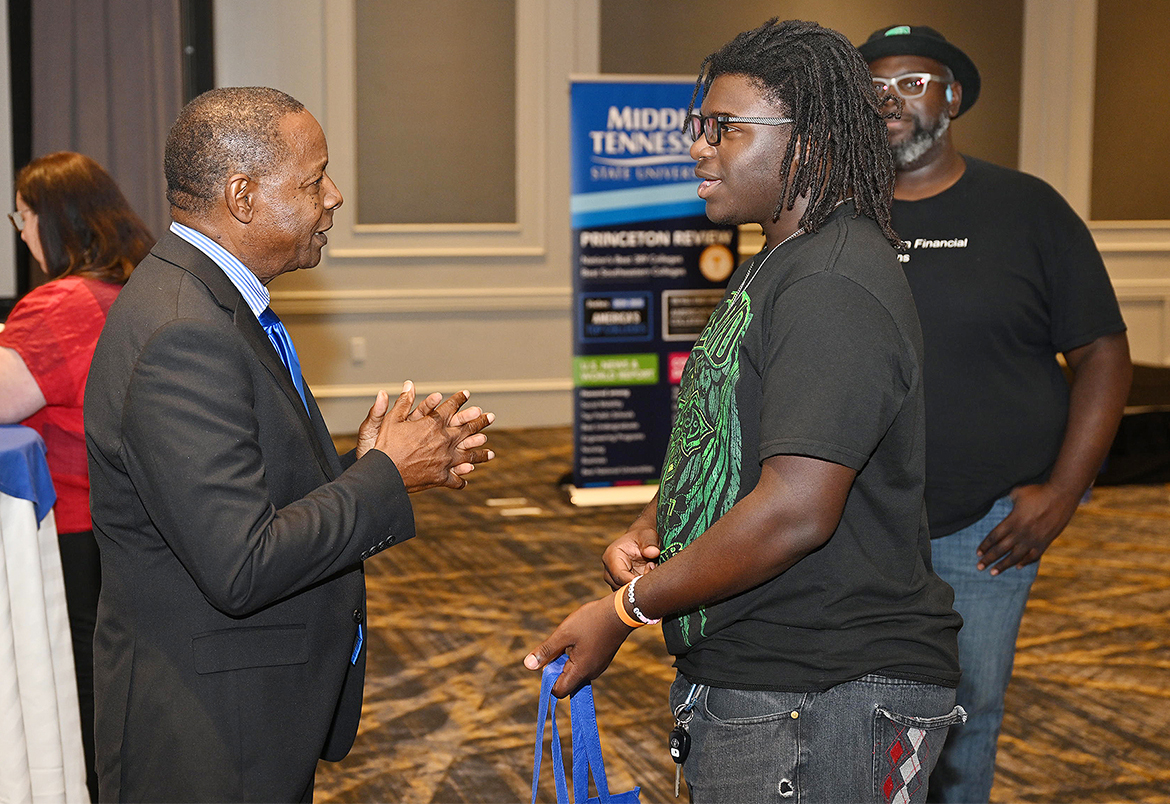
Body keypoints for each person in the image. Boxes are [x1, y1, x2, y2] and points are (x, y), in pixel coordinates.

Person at [526, 19, 965, 803]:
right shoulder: (781, 262)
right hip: (777, 680)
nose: (697, 147)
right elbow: (738, 440)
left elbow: (795, 511)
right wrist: (663, 524)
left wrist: (624, 611)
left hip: (824, 689)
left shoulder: (832, 282)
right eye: (700, 126)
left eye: (724, 129)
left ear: (814, 141)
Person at [84, 86, 494, 802]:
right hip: (209, 736)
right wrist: (388, 476)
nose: (333, 197)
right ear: (242, 196)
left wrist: (364, 468)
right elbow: (241, 563)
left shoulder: (214, 302)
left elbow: (240, 496)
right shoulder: (185, 332)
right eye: (313, 181)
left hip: (241, 711)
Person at [858, 25, 1132, 803]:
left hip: (986, 532)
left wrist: (1062, 496)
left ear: (952, 97)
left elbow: (1103, 358)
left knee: (963, 716)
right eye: (877, 84)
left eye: (914, 82)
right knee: (853, 716)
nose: (892, 99)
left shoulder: (1027, 208)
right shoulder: (835, 212)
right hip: (847, 523)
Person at [0, 151, 154, 801]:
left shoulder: (60, 304)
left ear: (56, 221)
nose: (21, 230)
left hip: (65, 524)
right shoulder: (128, 291)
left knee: (74, 682)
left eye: (24, 215)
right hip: (123, 522)